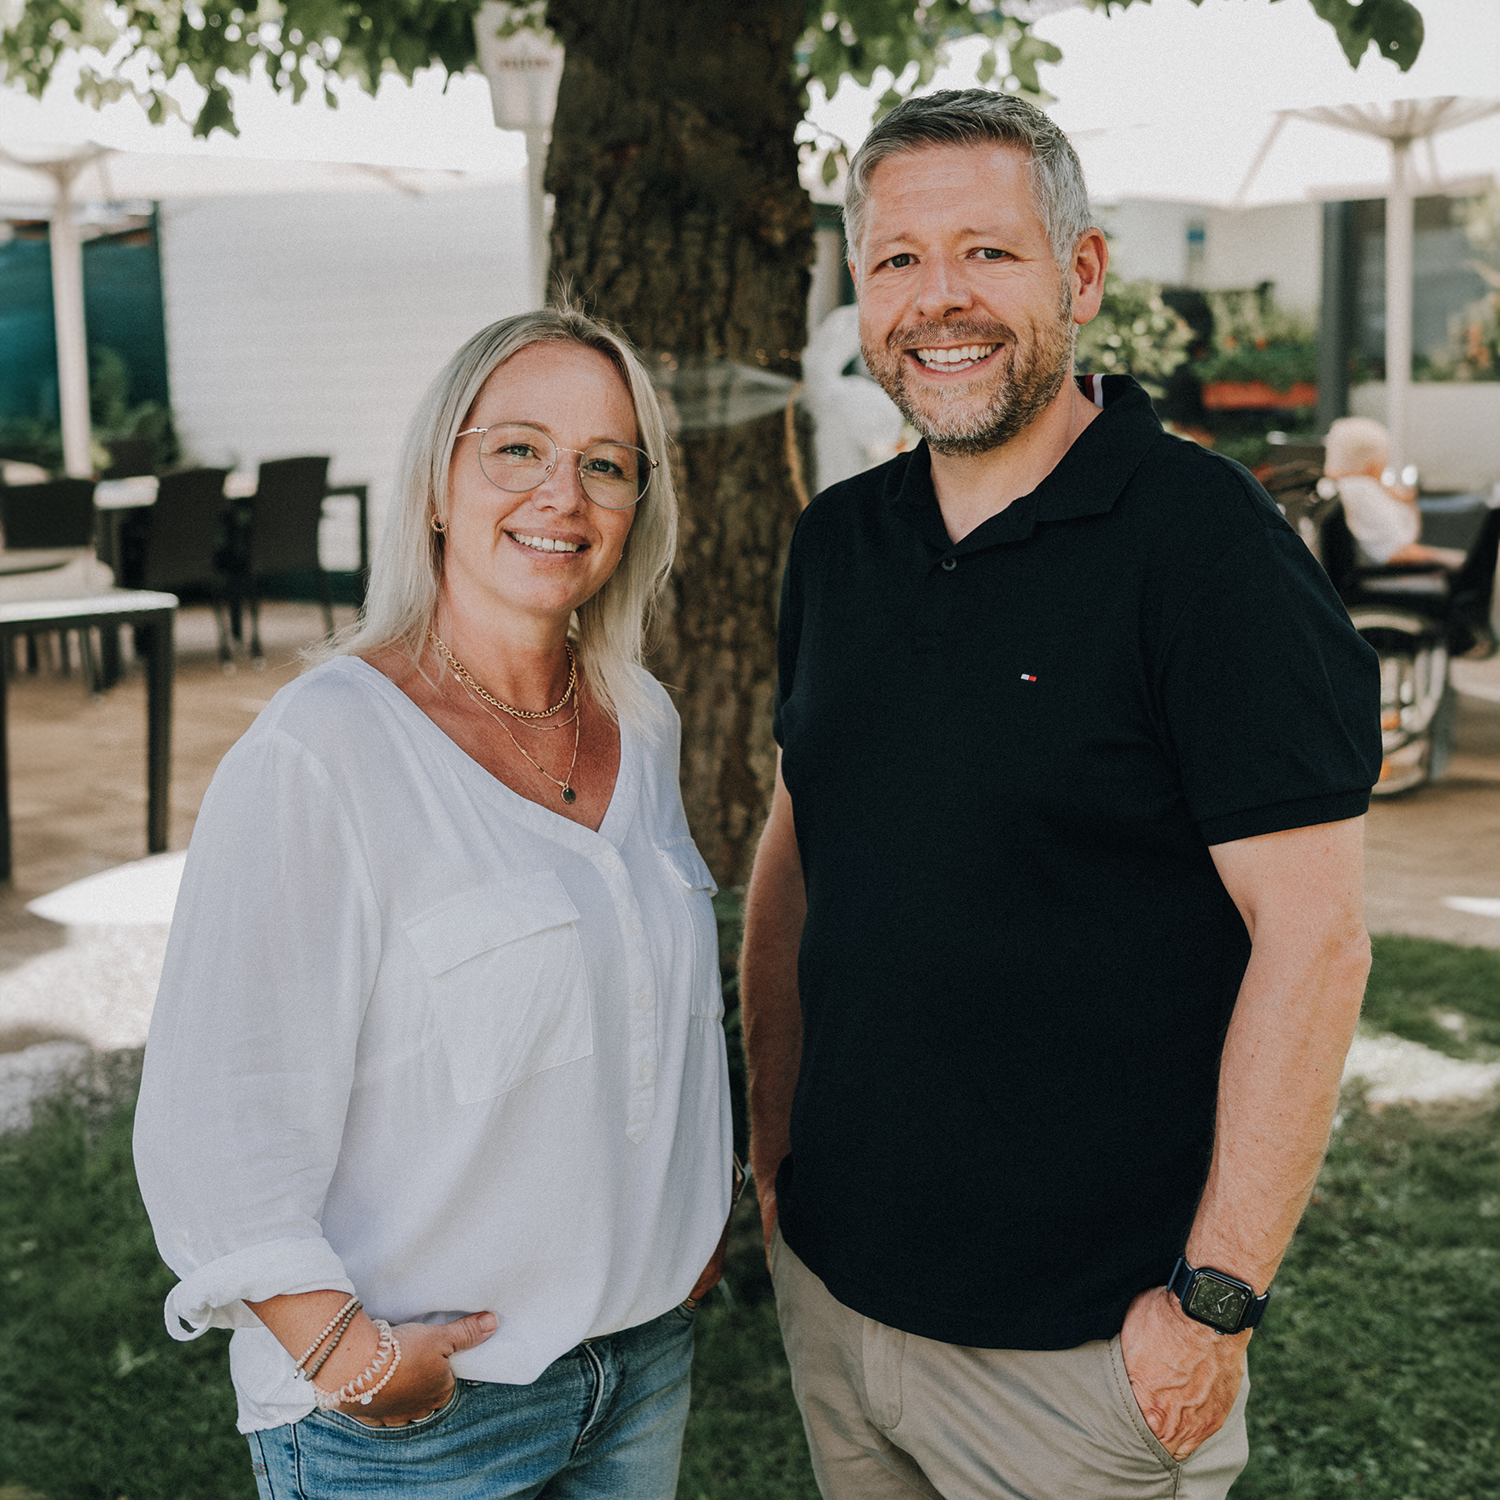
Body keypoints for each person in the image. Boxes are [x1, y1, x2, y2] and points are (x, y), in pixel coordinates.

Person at [741, 91, 1382, 1500]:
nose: (939, 299)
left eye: (988, 251)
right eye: (899, 259)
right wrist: (775, 1150)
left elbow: (1317, 939)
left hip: (1083, 1355)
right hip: (838, 1301)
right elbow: (798, 853)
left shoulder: (1207, 548)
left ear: (1081, 275)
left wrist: (1215, 1300)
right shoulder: (837, 544)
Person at [134, 307, 734, 1500]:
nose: (562, 495)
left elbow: (656, 1015)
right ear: (436, 487)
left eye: (605, 464)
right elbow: (216, 1111)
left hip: (638, 1371)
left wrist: (692, 1220)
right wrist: (348, 1359)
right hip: (422, 1414)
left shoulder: (641, 719)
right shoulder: (323, 751)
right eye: (518, 449)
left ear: (638, 508)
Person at [1324, 414, 1499, 658]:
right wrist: (1450, 559)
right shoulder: (1362, 491)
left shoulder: (1353, 487)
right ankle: (1471, 636)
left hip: (1369, 576)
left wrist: (1397, 497)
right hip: (1378, 582)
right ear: (1371, 458)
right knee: (1472, 573)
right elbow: (1396, 553)